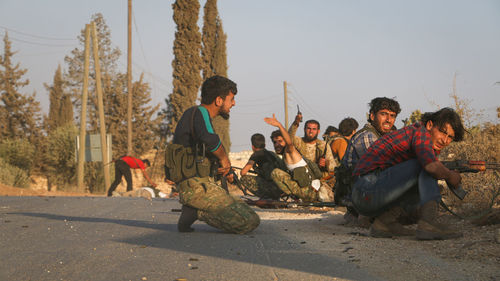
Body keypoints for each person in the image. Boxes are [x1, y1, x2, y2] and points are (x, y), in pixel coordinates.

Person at [352, 108, 465, 240]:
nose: (445, 140)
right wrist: (451, 176)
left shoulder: (422, 139)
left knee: (424, 172)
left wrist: (444, 172)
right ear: (429, 125)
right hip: (365, 191)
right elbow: (431, 167)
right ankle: (429, 223)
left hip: (366, 194)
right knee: (426, 167)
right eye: (442, 132)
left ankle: (384, 223)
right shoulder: (420, 133)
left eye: (450, 137)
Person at [166, 75, 260, 234]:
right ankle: (196, 211)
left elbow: (200, 156)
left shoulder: (197, 115)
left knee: (243, 208)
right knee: (249, 221)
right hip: (195, 187)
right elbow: (209, 139)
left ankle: (192, 209)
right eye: (231, 99)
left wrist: (222, 170)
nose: (233, 103)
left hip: (196, 184)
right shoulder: (200, 112)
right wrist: (224, 159)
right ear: (218, 100)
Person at [334, 97, 401, 220]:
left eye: (392, 116)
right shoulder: (367, 136)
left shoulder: (381, 136)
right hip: (356, 196)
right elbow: (382, 166)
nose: (388, 120)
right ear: (372, 116)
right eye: (383, 114)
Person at [264, 114, 326, 202]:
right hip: (312, 190)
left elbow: (289, 141)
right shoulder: (285, 157)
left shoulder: (290, 151)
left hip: (310, 192)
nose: (277, 145)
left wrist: (279, 125)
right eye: (275, 142)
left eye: (280, 141)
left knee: (275, 173)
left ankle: (299, 197)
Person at [288, 114, 337, 180]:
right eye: (309, 128)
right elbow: (288, 138)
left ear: (318, 131)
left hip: (319, 180)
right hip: (301, 178)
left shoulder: (323, 145)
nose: (311, 131)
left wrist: (326, 163)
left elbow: (333, 168)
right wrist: (296, 123)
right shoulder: (298, 141)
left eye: (314, 129)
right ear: (304, 129)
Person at [240, 133, 285, 200]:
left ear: (252, 146)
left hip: (272, 188)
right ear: (265, 144)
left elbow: (243, 172)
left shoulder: (256, 154)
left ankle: (266, 197)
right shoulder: (272, 153)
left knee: (244, 179)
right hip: (282, 188)